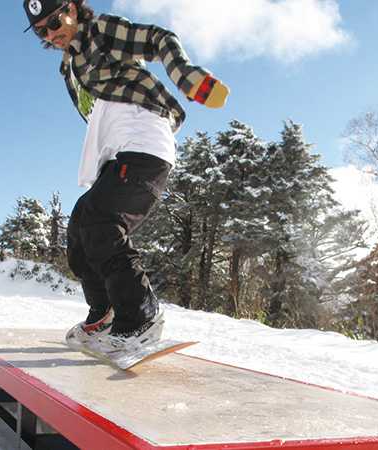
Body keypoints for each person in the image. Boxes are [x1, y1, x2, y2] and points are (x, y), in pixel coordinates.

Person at [21, 0, 228, 358]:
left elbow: (157, 39)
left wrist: (186, 76)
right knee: (80, 229)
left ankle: (140, 317)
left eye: (55, 21)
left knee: (103, 223)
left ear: (72, 7)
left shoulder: (99, 32)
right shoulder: (68, 65)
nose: (52, 33)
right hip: (118, 153)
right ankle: (105, 314)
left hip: (145, 141)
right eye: (42, 30)